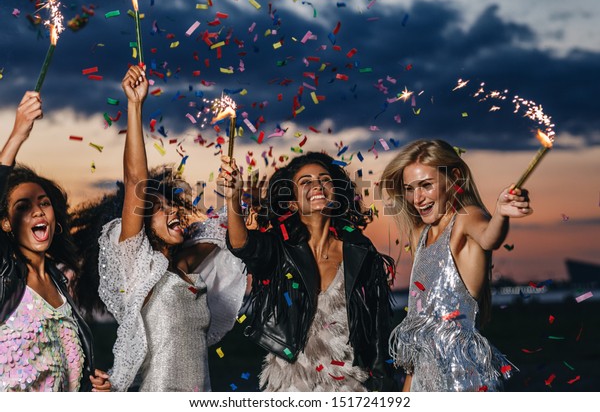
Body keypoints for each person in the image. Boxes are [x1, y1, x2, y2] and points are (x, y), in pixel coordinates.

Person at [96, 66, 245, 391]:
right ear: (141, 223)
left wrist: (235, 195)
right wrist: (134, 107)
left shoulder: (188, 266)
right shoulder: (135, 267)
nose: (173, 211)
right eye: (159, 209)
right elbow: (137, 181)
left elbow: (232, 239)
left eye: (175, 205)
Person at [220, 151, 396, 392]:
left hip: (350, 384)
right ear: (292, 202)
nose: (317, 185)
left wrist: (383, 387)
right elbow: (243, 245)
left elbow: (378, 329)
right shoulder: (279, 248)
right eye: (306, 182)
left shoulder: (360, 251)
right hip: (291, 384)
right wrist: (233, 199)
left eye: (324, 179)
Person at [380, 139, 533, 392]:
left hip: (461, 379)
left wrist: (501, 214)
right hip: (422, 379)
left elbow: (489, 237)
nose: (417, 198)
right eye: (410, 189)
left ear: (455, 178)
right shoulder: (420, 234)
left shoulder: (466, 218)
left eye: (426, 185)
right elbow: (419, 337)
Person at [0, 91, 110, 391]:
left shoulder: (60, 281)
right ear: (6, 224)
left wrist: (92, 385)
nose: (37, 209)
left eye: (44, 202)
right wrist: (17, 134)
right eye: (22, 206)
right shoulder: (4, 275)